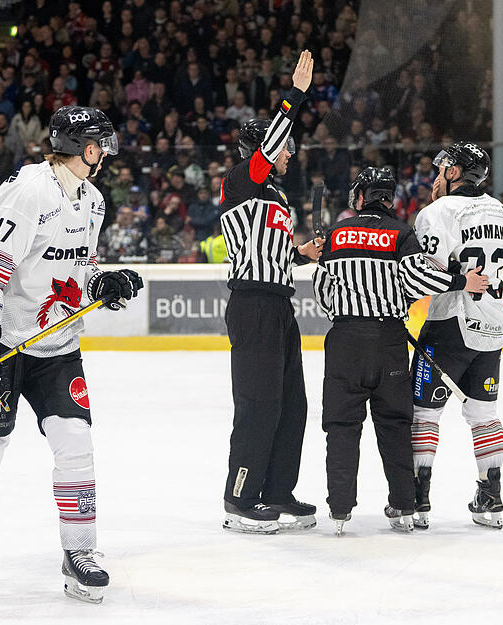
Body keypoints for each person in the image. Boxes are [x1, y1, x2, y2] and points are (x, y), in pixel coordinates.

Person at [0, 105, 144, 603]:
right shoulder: (27, 189)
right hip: (5, 345)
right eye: (102, 144)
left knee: (76, 443)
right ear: (88, 149)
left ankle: (80, 550)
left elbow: (82, 267)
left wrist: (104, 281)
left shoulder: (92, 200)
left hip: (58, 348)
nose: (107, 154)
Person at [313, 167, 488, 535]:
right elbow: (418, 280)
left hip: (345, 341)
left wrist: (343, 314)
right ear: (388, 198)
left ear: (359, 197)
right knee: (394, 425)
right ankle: (404, 506)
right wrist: (461, 281)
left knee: (342, 427)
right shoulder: (401, 233)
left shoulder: (332, 234)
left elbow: (322, 287)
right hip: (389, 341)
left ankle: (341, 509)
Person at [219, 50, 322, 534]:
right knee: (259, 403)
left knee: (292, 404)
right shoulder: (241, 182)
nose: (289, 155)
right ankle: (240, 497)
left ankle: (277, 491)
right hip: (254, 305)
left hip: (280, 304)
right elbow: (269, 150)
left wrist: (301, 253)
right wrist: (295, 95)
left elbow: (273, 251)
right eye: (284, 148)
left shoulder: (275, 196)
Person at [411, 142, 503, 529]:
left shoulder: (437, 211)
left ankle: (418, 500)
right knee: (484, 413)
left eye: (443, 169)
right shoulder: (500, 210)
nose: (436, 175)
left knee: (424, 413)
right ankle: (491, 496)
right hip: (493, 325)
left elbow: (430, 271)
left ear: (455, 173)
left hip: (450, 322)